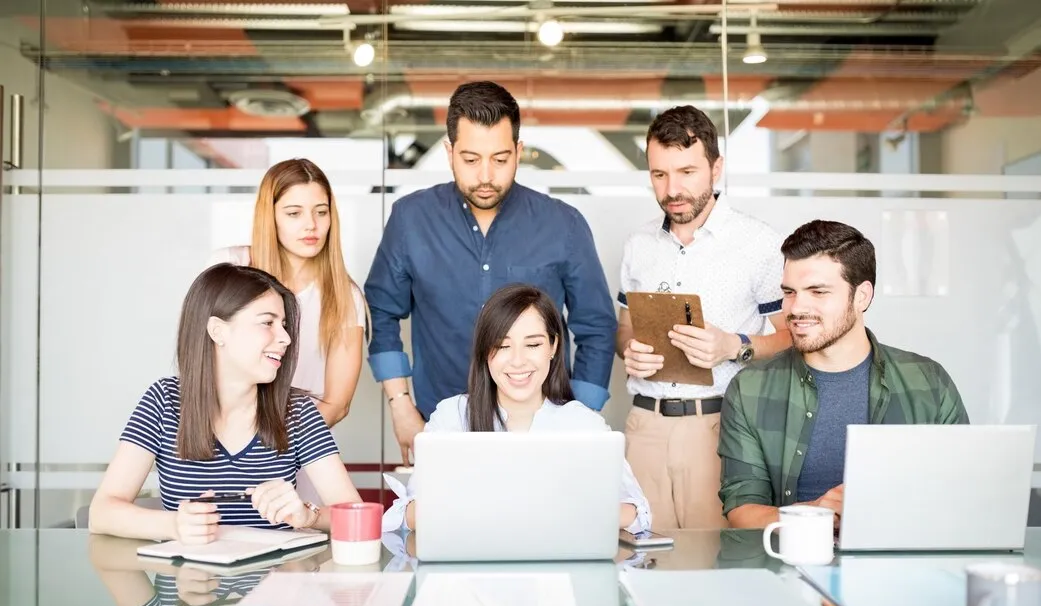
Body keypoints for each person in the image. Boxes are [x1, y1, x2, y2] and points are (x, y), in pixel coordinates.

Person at [365, 80, 617, 466]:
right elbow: (380, 311)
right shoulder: (410, 220)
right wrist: (400, 405)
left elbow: (597, 327)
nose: (486, 175)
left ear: (518, 151)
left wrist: (576, 419)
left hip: (541, 436)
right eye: (470, 159)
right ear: (449, 151)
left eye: (500, 159)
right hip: (442, 427)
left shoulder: (563, 224)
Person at [718, 220, 969, 529]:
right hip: (791, 566)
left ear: (861, 296)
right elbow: (742, 509)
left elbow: (960, 495)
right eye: (789, 292)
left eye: (818, 291)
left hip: (904, 566)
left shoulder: (929, 382)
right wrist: (817, 514)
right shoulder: (750, 389)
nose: (796, 308)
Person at [88, 263, 361, 542]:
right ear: (218, 331)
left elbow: (358, 517)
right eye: (268, 323)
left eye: (284, 325)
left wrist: (307, 515)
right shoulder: (164, 401)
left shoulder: (297, 411)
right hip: (188, 583)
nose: (286, 338)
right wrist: (174, 526)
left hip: (275, 584)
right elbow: (101, 512)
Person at [615, 105, 791, 531]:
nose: (672, 188)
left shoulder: (759, 243)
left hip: (719, 427)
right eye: (659, 174)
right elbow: (623, 326)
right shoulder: (639, 243)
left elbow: (795, 338)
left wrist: (736, 346)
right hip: (643, 426)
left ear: (716, 168)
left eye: (687, 172)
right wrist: (628, 351)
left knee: (715, 565)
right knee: (640, 561)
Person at [380, 284, 650, 534]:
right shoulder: (452, 418)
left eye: (533, 344)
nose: (518, 361)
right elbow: (408, 515)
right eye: (502, 346)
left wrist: (556, 513)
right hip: (469, 577)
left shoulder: (583, 424)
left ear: (553, 347)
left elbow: (637, 512)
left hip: (559, 575)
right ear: (485, 352)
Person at [209, 158, 367, 428]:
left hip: (297, 452)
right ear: (270, 216)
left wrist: (278, 450)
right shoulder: (227, 268)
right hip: (218, 441)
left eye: (321, 212)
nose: (311, 226)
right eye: (294, 213)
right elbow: (198, 364)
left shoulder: (344, 295)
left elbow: (337, 404)